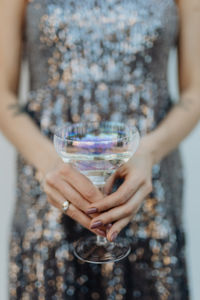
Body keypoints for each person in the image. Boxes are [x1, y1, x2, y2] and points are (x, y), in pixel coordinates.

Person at [0, 0, 199, 299]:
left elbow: (194, 93)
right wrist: (48, 161)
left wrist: (149, 152)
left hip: (148, 193)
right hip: (48, 195)